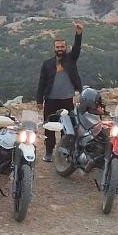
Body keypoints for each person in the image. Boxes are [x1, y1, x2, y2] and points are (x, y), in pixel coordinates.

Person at [35, 21, 84, 162]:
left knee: (66, 128)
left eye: (62, 46)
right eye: (58, 47)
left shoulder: (71, 58)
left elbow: (77, 48)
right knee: (49, 128)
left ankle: (64, 153)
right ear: (54, 48)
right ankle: (49, 152)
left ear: (65, 47)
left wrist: (79, 33)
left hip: (67, 100)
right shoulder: (47, 63)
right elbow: (41, 82)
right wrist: (39, 100)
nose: (60, 49)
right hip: (50, 100)